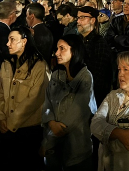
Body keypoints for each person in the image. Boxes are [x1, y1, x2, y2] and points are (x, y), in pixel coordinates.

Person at [0, 26, 49, 168]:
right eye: (8, 40)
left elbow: (34, 99)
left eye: (12, 40)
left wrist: (11, 123)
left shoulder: (39, 66)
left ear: (24, 41)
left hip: (28, 130)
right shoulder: (7, 64)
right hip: (6, 127)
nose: (8, 43)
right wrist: (0, 117)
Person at [42, 35, 97, 171]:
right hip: (54, 149)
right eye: (57, 49)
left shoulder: (85, 77)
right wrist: (50, 122)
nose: (57, 53)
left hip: (76, 146)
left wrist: (50, 137)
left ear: (75, 51)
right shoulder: (56, 75)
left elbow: (77, 113)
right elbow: (47, 101)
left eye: (62, 49)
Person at [77, 5, 114, 106]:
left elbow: (99, 76)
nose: (78, 21)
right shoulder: (78, 41)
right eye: (78, 18)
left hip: (92, 98)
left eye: (82, 18)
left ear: (93, 20)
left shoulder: (99, 44)